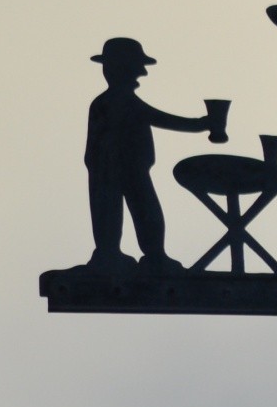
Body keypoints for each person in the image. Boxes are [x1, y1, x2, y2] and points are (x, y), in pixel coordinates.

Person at [82, 37, 223, 274]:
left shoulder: (116, 101)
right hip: (116, 169)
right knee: (121, 210)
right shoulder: (116, 101)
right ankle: (120, 254)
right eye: (137, 67)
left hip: (128, 168)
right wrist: (201, 124)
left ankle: (146, 255)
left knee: (142, 210)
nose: (142, 73)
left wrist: (202, 124)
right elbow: (159, 118)